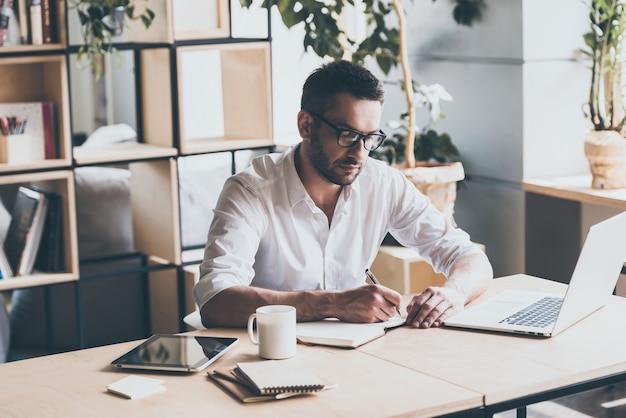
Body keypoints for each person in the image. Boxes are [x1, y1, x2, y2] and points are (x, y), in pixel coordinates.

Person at [193, 60, 493, 329]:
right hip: (270, 354)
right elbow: (215, 300)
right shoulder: (250, 191)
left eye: (370, 138)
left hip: (356, 351)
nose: (359, 153)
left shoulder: (383, 183)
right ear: (306, 125)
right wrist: (333, 304)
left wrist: (453, 293)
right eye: (348, 135)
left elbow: (468, 256)